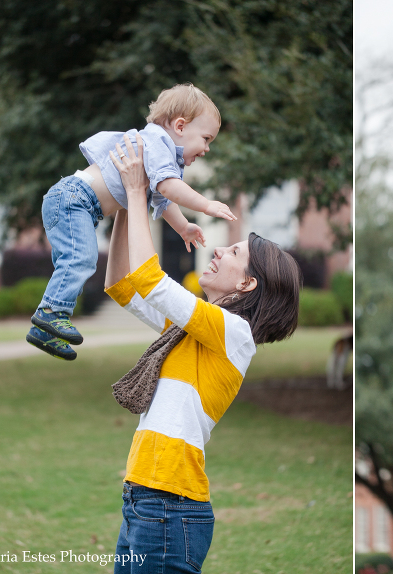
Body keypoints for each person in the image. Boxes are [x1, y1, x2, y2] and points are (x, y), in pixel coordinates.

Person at [104, 134, 301, 573]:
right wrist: (122, 203)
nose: (216, 250)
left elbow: (150, 280)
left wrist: (139, 193)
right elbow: (121, 283)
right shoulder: (192, 330)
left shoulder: (234, 332)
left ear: (247, 284)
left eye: (233, 252)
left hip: (170, 506)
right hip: (145, 493)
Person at [26, 83, 237, 361]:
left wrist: (183, 227)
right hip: (74, 199)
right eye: (206, 138)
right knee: (82, 259)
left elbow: (163, 197)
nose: (207, 148)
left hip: (78, 204)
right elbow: (169, 188)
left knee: (79, 260)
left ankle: (44, 331)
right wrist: (206, 204)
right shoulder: (158, 142)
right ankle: (51, 313)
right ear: (181, 126)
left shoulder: (161, 155)